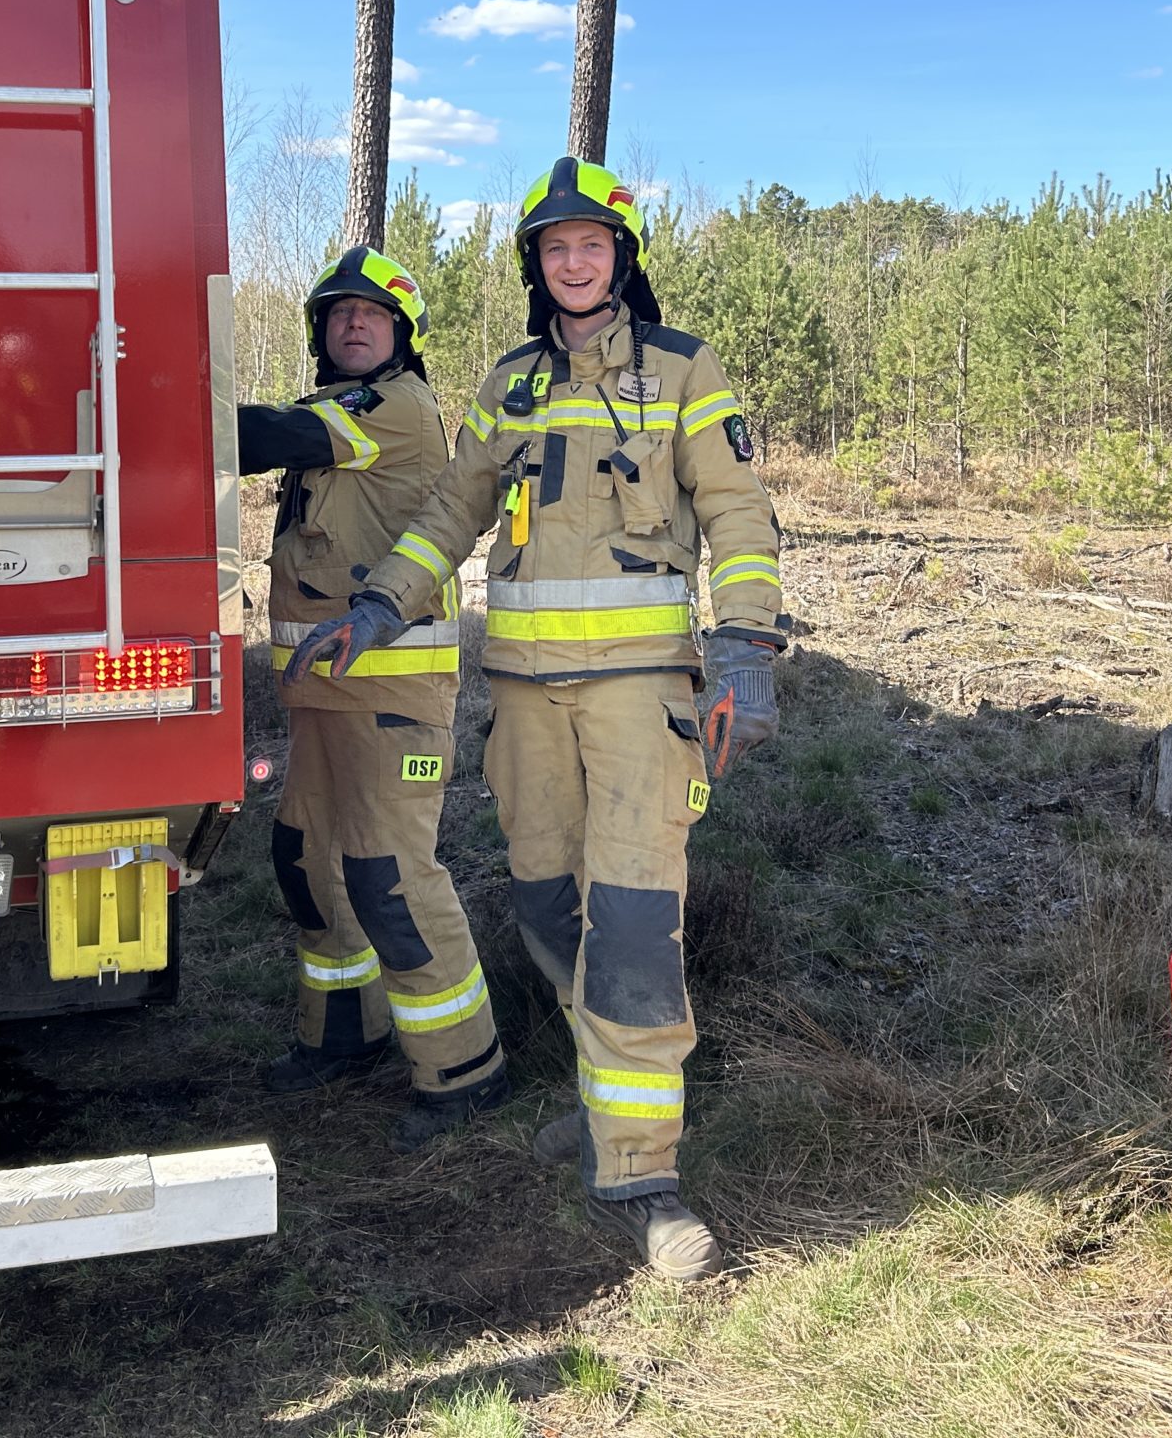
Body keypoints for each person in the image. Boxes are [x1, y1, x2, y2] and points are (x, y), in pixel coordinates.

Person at [287, 160, 785, 1281]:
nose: (574, 262)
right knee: (548, 909)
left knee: (634, 923)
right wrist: (379, 605)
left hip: (640, 697)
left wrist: (747, 646)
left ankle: (643, 1176)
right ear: (534, 264)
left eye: (591, 244)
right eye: (555, 246)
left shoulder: (682, 368)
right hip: (521, 700)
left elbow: (737, 510)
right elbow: (449, 511)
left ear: (622, 257)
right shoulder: (506, 383)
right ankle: (603, 1100)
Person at [238, 247, 510, 1151]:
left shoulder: (392, 408)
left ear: (402, 336)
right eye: (339, 313)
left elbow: (261, 439)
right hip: (322, 695)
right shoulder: (335, 407)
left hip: (393, 696)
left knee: (390, 878)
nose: (354, 324)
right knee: (308, 862)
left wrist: (163, 402)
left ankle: (465, 1071)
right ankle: (344, 1035)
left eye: (374, 314)